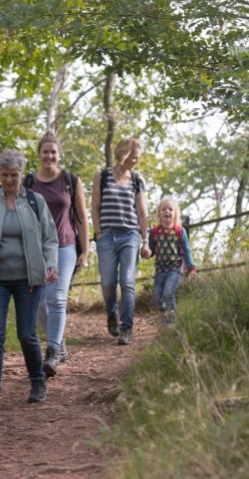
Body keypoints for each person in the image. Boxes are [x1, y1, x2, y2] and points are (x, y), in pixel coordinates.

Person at [0, 149, 59, 412]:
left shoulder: (35, 201)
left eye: (14, 175)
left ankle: (38, 382)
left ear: (22, 174)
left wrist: (51, 264)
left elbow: (50, 238)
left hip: (29, 279)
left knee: (26, 334)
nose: (9, 180)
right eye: (4, 175)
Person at [24, 132, 89, 377]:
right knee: (40, 301)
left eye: (53, 152)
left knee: (58, 298)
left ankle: (51, 351)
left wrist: (86, 251)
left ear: (59, 154)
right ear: (39, 154)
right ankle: (59, 341)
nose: (49, 156)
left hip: (65, 246)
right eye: (45, 151)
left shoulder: (71, 180)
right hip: (37, 249)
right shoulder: (28, 183)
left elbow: (82, 218)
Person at [91, 138, 150, 346]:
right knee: (108, 283)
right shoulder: (102, 176)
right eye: (134, 157)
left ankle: (127, 328)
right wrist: (98, 233)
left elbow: (142, 212)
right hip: (106, 236)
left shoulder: (137, 179)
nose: (136, 161)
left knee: (127, 282)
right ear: (125, 154)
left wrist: (146, 240)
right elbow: (95, 207)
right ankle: (111, 312)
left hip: (130, 235)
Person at [148, 196, 196, 325]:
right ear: (159, 213)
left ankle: (171, 323)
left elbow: (186, 250)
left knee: (168, 293)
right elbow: (150, 251)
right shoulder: (154, 232)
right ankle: (164, 312)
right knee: (157, 298)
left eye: (170, 209)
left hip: (175, 269)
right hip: (160, 270)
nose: (167, 212)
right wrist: (145, 252)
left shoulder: (179, 231)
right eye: (164, 209)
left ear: (175, 214)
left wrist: (191, 267)